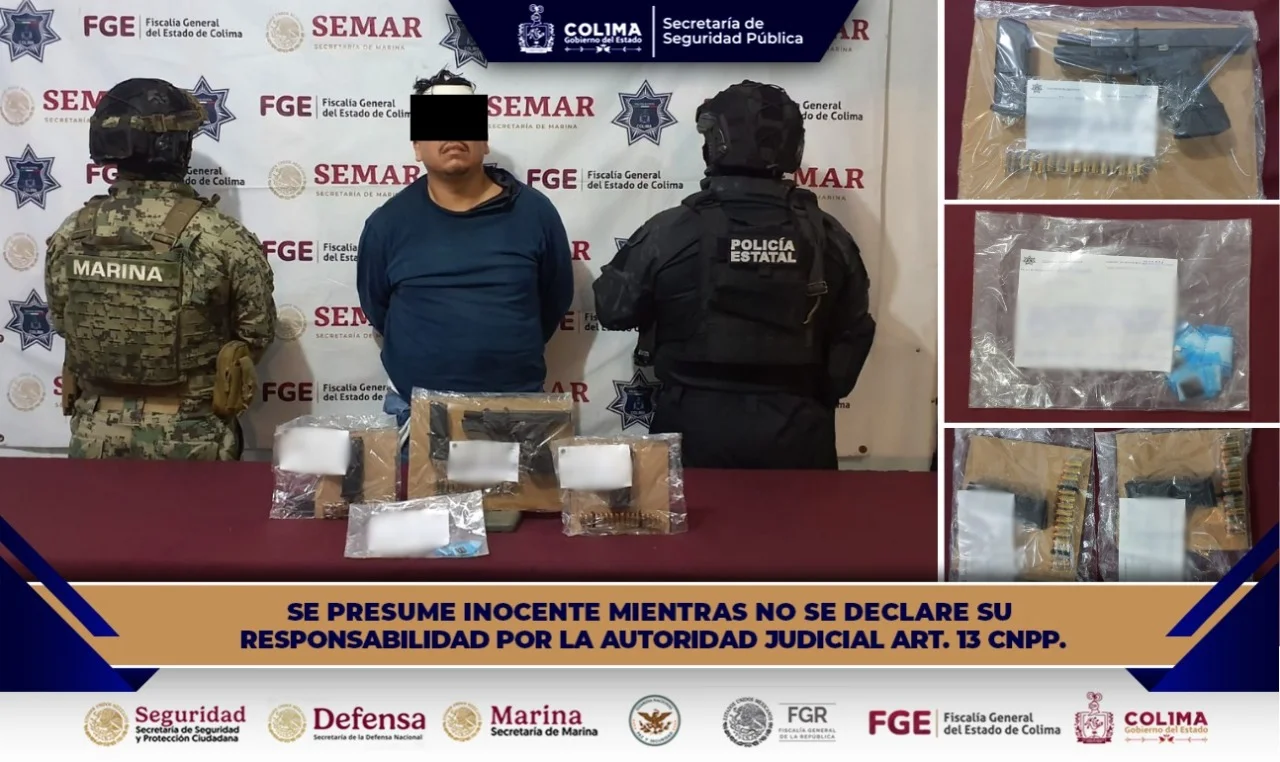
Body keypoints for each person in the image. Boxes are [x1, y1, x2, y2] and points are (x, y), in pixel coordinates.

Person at [593, 80, 876, 470]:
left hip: (693, 429)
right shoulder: (828, 235)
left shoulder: (671, 230)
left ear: (715, 141)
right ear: (793, 145)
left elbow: (614, 309)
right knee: (801, 515)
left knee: (694, 515)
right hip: (797, 429)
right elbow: (854, 331)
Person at [44, 78, 276, 460]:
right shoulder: (220, 236)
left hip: (94, 439)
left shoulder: (73, 232)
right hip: (193, 442)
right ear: (176, 146)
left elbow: (62, 322)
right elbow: (255, 333)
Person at [357, 69, 574, 443]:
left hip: (518, 413)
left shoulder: (535, 213)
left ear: (484, 140)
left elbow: (554, 299)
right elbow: (378, 309)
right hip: (417, 414)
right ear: (417, 146)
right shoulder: (387, 224)